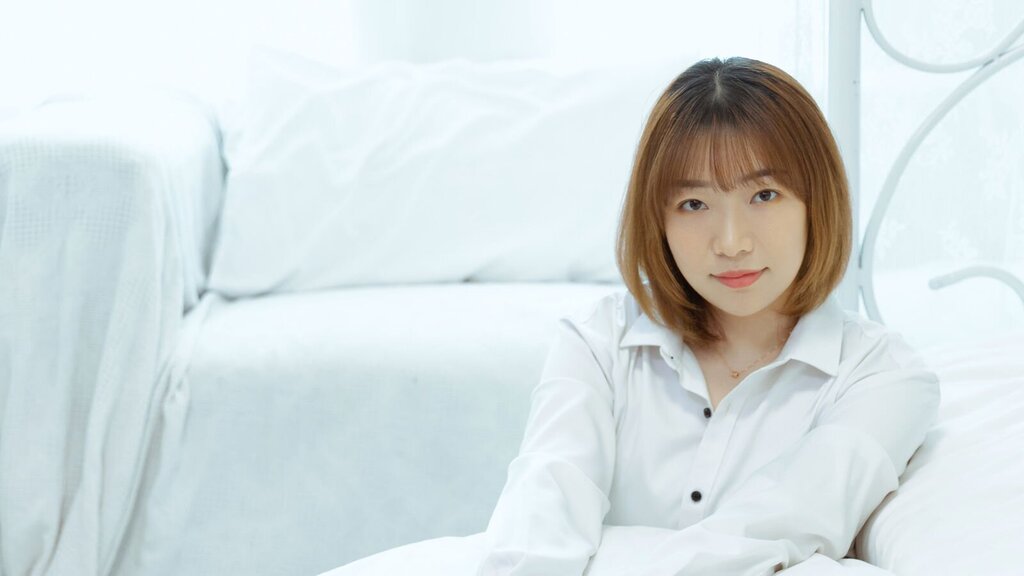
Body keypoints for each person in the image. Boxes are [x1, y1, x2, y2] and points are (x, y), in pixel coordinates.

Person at [320, 57, 940, 576]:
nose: (731, 241)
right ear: (657, 217)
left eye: (764, 195)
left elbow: (782, 524)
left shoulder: (882, 377)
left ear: (817, 202)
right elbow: (545, 507)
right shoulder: (598, 342)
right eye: (693, 203)